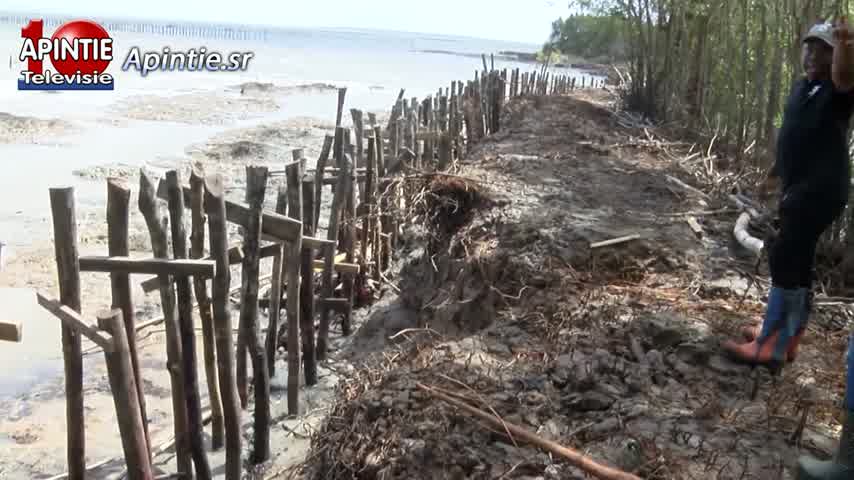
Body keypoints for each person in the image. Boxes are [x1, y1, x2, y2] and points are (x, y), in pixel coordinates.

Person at [718, 19, 854, 479]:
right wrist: (775, 173)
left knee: (785, 258)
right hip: (799, 188)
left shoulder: (838, 91)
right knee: (793, 258)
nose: (814, 56)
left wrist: (847, 47)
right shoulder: (803, 88)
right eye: (811, 48)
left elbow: (846, 78)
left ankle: (773, 344)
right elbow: (792, 135)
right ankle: (786, 335)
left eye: (824, 50)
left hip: (821, 191)